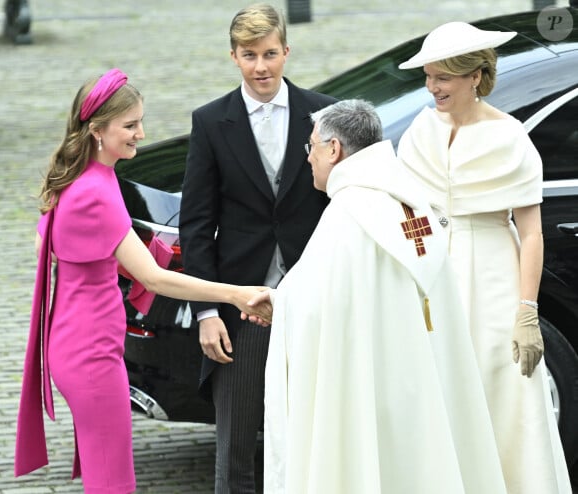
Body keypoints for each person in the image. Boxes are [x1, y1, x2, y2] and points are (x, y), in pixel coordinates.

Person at [14, 68, 272, 494]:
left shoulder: (90, 179)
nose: (141, 133)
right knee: (113, 480)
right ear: (97, 130)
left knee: (108, 473)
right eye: (130, 125)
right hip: (90, 353)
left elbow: (75, 249)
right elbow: (154, 279)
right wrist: (236, 294)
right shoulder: (97, 190)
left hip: (79, 342)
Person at [247, 99, 508, 493]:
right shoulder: (413, 204)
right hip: (420, 381)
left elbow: (315, 310)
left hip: (370, 385)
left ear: (334, 150)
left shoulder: (348, 214)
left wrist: (278, 305)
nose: (309, 160)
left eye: (311, 148)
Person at [396, 22, 572, 494]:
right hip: (435, 276)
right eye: (428, 77)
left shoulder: (509, 136)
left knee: (503, 400)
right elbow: (408, 213)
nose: (432, 87)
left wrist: (527, 312)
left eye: (443, 78)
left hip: (494, 273)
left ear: (475, 76)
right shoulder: (420, 128)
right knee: (439, 402)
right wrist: (413, 273)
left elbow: (531, 231)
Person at [178, 4, 336, 492]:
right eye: (250, 55)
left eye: (270, 53)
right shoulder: (210, 122)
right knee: (237, 445)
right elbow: (197, 225)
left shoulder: (324, 114)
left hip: (314, 303)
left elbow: (344, 206)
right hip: (241, 308)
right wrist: (207, 312)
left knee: (321, 435)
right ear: (234, 57)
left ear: (286, 51)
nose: (261, 66)